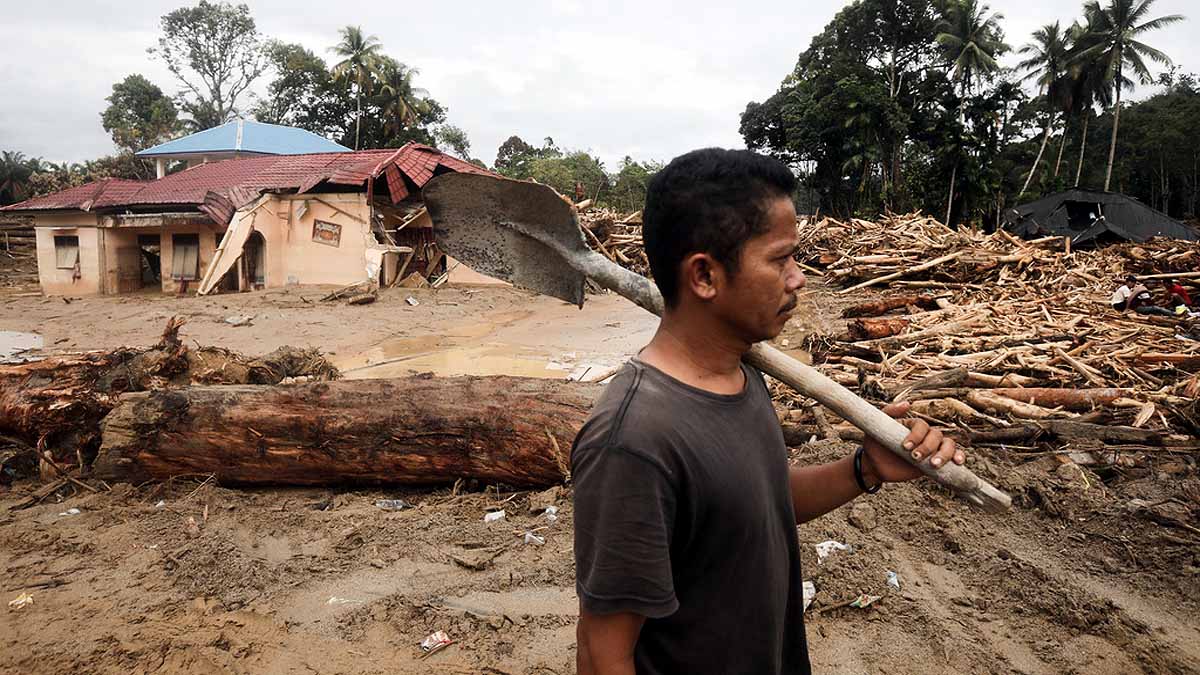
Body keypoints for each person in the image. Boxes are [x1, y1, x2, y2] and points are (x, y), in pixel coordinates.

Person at [571, 149, 964, 675]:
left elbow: (759, 506)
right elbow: (603, 653)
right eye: (781, 260)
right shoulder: (634, 441)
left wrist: (864, 469)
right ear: (705, 276)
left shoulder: (743, 373)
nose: (798, 279)